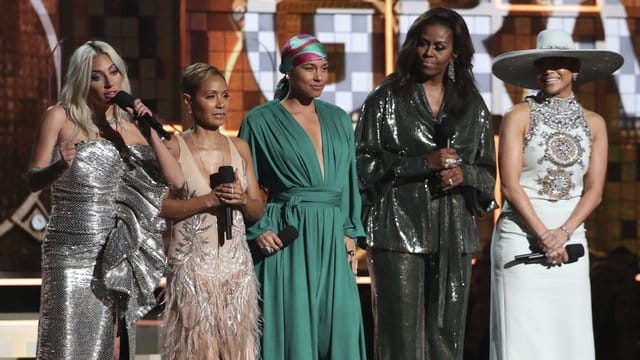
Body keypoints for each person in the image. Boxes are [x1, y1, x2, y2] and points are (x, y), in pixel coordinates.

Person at [27, 40, 184, 359]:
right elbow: (33, 179)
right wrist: (60, 165)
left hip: (115, 252)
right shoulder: (60, 117)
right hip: (69, 252)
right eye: (97, 76)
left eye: (114, 72)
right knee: (68, 345)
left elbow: (177, 181)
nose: (110, 82)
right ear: (82, 81)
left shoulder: (132, 128)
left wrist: (148, 128)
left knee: (112, 344)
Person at [355, 8, 497, 360]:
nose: (429, 53)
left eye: (439, 47)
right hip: (397, 230)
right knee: (399, 337)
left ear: (456, 53)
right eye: (422, 44)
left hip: (453, 233)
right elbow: (363, 165)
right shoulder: (385, 98)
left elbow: (487, 175)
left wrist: (465, 174)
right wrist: (423, 164)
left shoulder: (471, 106)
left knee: (446, 337)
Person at [489, 29, 624, 360]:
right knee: (522, 339)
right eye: (543, 63)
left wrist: (562, 234)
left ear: (575, 68)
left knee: (569, 337)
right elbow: (509, 185)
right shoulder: (517, 116)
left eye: (558, 63)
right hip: (521, 235)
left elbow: (594, 192)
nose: (549, 70)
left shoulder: (595, 124)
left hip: (571, 237)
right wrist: (544, 236)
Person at [238, 34, 367, 360]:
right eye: (310, 68)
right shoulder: (260, 121)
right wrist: (258, 229)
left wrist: (350, 231)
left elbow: (350, 181)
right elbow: (245, 186)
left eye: (324, 68)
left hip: (333, 238)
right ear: (289, 70)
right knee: (294, 334)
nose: (319, 76)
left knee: (340, 329)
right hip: (289, 237)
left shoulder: (338, 118)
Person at [159, 63, 263, 359]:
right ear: (190, 101)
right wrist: (208, 201)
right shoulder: (173, 148)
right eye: (211, 96)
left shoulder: (239, 148)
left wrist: (242, 198)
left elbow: (257, 209)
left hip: (235, 270)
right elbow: (159, 206)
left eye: (226, 96)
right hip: (192, 270)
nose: (221, 104)